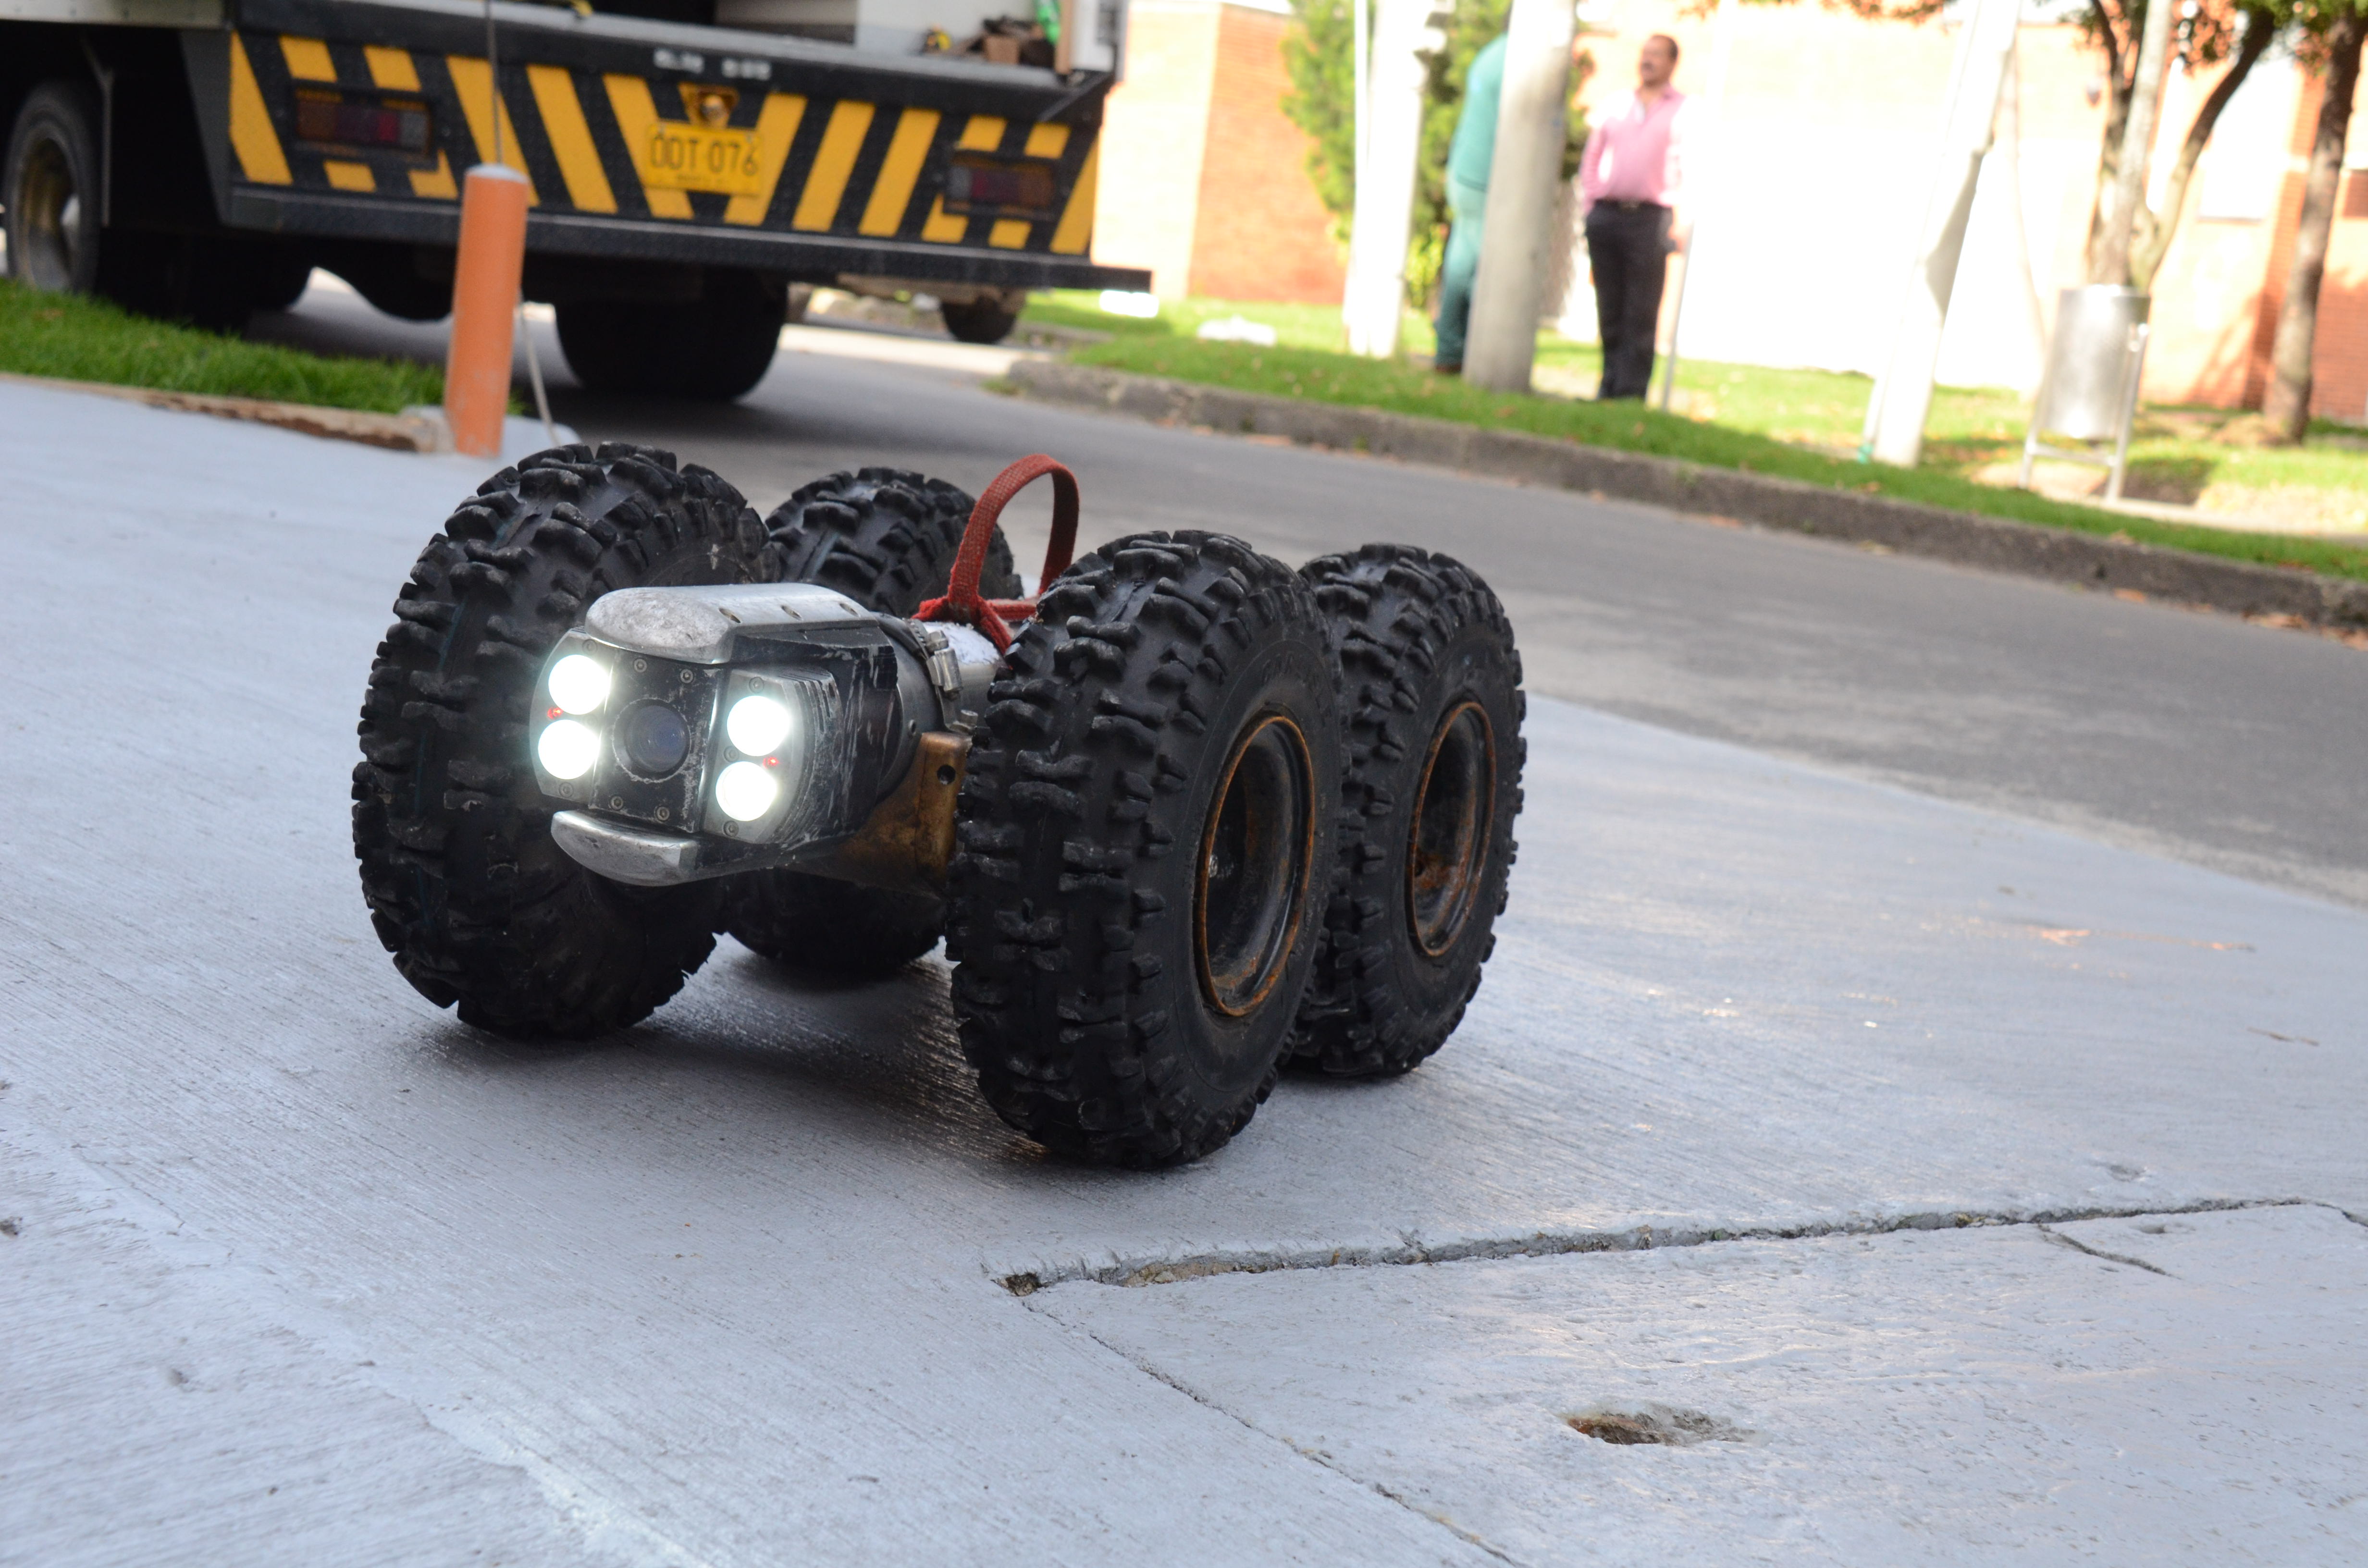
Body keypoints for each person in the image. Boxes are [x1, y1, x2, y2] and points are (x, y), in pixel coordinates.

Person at [1579, 34, 1688, 400]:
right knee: (1609, 306)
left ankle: (1630, 392)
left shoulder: (1685, 110)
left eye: (1657, 55)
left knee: (1641, 309)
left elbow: (1691, 168)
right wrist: (1590, 209)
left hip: (1651, 218)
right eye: (1645, 54)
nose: (1648, 61)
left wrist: (1683, 219)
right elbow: (1592, 158)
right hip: (1608, 216)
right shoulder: (1616, 104)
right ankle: (1608, 385)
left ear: (1672, 63)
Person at [1431, 33, 1506, 375]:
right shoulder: (1516, 59)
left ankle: (1450, 347)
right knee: (1478, 272)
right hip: (1483, 179)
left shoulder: (1490, 52)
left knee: (1461, 263)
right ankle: (1462, 352)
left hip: (1464, 174)